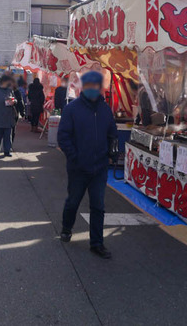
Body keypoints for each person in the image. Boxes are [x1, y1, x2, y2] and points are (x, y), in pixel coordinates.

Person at [58, 71, 117, 259]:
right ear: (83, 87)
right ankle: (67, 228)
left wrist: (111, 154)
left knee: (98, 206)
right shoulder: (71, 109)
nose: (93, 89)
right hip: (78, 169)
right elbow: (63, 137)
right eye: (89, 86)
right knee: (73, 202)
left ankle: (97, 243)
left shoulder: (105, 109)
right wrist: (74, 157)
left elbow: (112, 133)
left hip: (99, 168)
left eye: (96, 86)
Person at [0, 74, 16, 157]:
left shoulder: (10, 90)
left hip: (8, 117)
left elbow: (14, 99)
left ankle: (7, 151)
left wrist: (14, 101)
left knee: (8, 136)